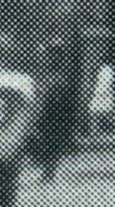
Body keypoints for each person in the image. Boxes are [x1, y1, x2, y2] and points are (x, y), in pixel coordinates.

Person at [30, 39, 81, 182]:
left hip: (55, 111)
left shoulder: (62, 73)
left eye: (53, 53)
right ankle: (48, 170)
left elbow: (66, 94)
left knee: (52, 141)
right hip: (49, 110)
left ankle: (49, 171)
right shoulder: (50, 71)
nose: (50, 56)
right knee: (48, 141)